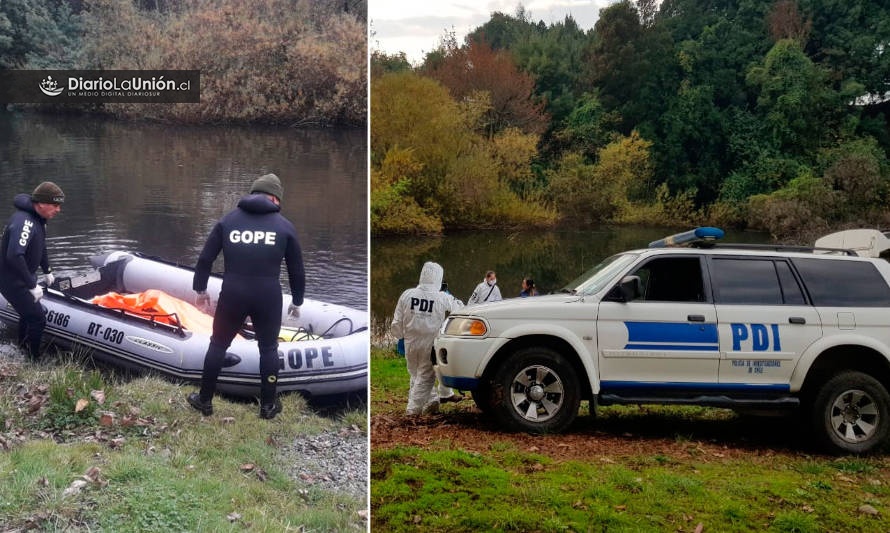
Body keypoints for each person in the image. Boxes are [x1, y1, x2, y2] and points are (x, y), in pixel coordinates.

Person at [186, 173, 305, 420]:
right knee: (269, 349)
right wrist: (297, 300)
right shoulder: (284, 226)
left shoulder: (228, 221)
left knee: (218, 345)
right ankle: (268, 406)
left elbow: (205, 258)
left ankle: (204, 400)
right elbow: (296, 269)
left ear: (252, 194)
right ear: (275, 198)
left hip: (233, 293)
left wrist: (200, 290)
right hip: (268, 295)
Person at [0, 182, 64, 360]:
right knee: (38, 318)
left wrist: (47, 269)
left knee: (28, 314)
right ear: (42, 203)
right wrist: (31, 284)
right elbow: (14, 255)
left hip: (23, 276)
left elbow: (40, 246)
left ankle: (21, 348)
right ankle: (34, 360)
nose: (58, 210)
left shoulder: (40, 219)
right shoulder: (24, 222)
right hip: (11, 280)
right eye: (55, 205)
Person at [391, 262, 464, 416]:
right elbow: (461, 308)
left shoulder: (407, 294)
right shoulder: (442, 297)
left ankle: (432, 401)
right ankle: (413, 411)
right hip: (430, 342)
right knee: (425, 376)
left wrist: (400, 337)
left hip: (410, 342)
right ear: (439, 277)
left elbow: (396, 322)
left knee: (415, 374)